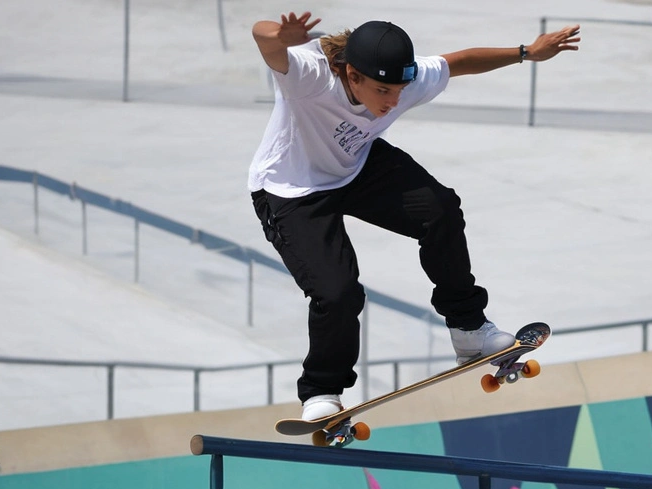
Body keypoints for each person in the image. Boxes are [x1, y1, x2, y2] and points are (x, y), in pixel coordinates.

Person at [248, 12, 581, 421]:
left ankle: (469, 330)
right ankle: (322, 390)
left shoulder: (408, 82)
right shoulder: (310, 75)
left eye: (399, 91)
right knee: (338, 293)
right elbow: (263, 40)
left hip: (355, 166)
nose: (391, 102)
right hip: (291, 189)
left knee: (440, 209)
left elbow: (457, 62)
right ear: (352, 75)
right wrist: (280, 35)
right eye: (382, 91)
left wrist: (527, 52)